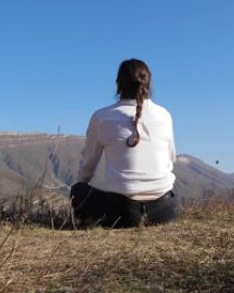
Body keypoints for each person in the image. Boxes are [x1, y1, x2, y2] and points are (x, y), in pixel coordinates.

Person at [71, 58, 178, 228]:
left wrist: (82, 184)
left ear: (118, 85)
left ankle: (86, 224)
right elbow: (171, 157)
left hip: (123, 213)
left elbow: (88, 165)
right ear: (148, 84)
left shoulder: (102, 117)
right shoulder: (164, 115)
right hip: (165, 210)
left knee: (78, 190)